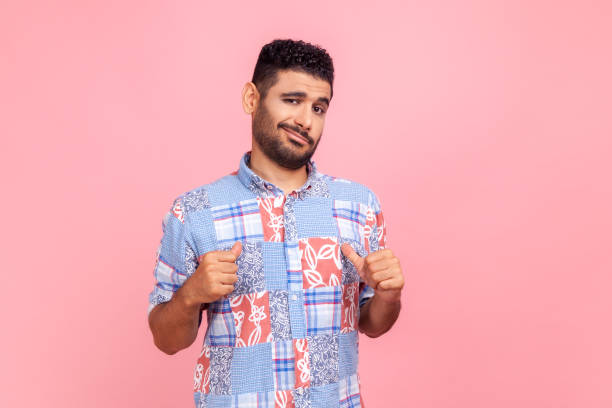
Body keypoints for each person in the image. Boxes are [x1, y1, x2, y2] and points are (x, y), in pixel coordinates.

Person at [148, 39, 404, 408]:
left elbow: (373, 323)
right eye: (292, 100)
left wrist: (388, 295)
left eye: (319, 107)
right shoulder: (195, 211)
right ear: (252, 99)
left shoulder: (358, 206)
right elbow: (165, 338)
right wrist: (191, 294)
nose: (306, 120)